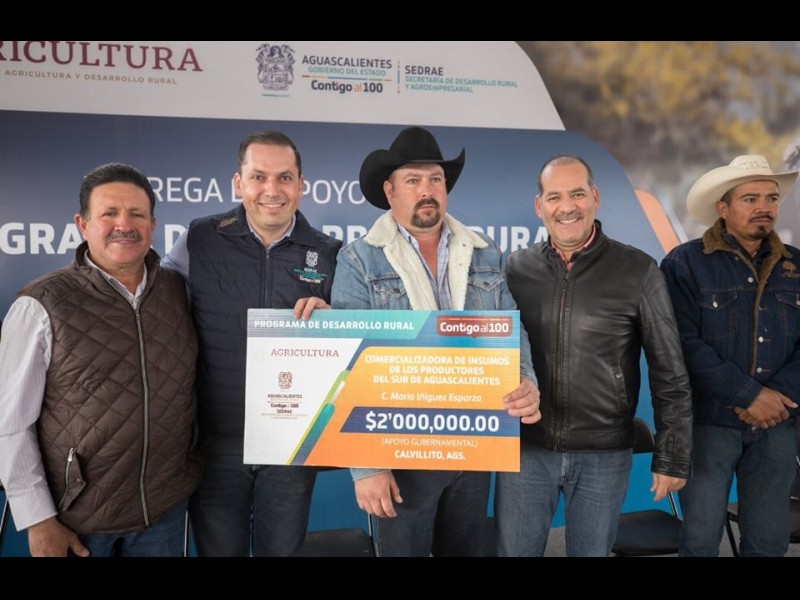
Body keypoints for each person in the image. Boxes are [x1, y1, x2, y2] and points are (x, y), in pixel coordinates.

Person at [331, 126, 541, 557]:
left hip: (474, 443)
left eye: (435, 179)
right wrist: (366, 466)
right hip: (401, 450)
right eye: (413, 180)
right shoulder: (358, 259)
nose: (427, 190)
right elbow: (348, 362)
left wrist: (525, 380)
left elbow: (510, 327)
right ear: (390, 191)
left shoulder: (484, 251)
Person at [0, 163, 202, 557]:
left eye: (137, 214)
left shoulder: (178, 291)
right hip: (77, 521)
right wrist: (38, 519)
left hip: (164, 511)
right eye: (109, 213)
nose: (124, 225)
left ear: (153, 225)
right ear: (83, 224)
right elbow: (10, 424)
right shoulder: (40, 304)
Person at [496, 155, 693, 557]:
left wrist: (672, 455)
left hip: (604, 454)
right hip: (526, 450)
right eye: (554, 197)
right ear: (539, 206)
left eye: (577, 194)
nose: (566, 207)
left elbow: (669, 369)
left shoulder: (638, 270)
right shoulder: (515, 269)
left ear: (595, 198)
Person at [162, 130, 342, 556]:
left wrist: (336, 320)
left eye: (284, 178)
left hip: (291, 441)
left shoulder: (329, 252)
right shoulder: (199, 239)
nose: (271, 190)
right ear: (238, 183)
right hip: (216, 440)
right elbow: (156, 308)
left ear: (301, 185)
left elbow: (354, 347)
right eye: (258, 177)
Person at [661, 155, 800, 556]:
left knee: (769, 542)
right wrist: (749, 395)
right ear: (722, 208)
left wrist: (776, 399)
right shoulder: (685, 263)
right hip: (709, 425)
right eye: (750, 199)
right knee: (701, 539)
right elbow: (681, 343)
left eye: (771, 198)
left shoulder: (796, 265)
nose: (764, 207)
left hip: (778, 423)